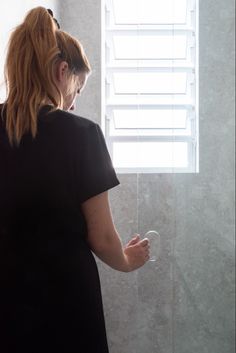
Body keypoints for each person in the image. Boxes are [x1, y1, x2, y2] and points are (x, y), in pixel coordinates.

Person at [0, 7, 150, 353]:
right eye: (77, 89)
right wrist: (127, 262)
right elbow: (100, 237)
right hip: (65, 304)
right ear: (61, 71)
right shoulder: (81, 134)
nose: (72, 103)